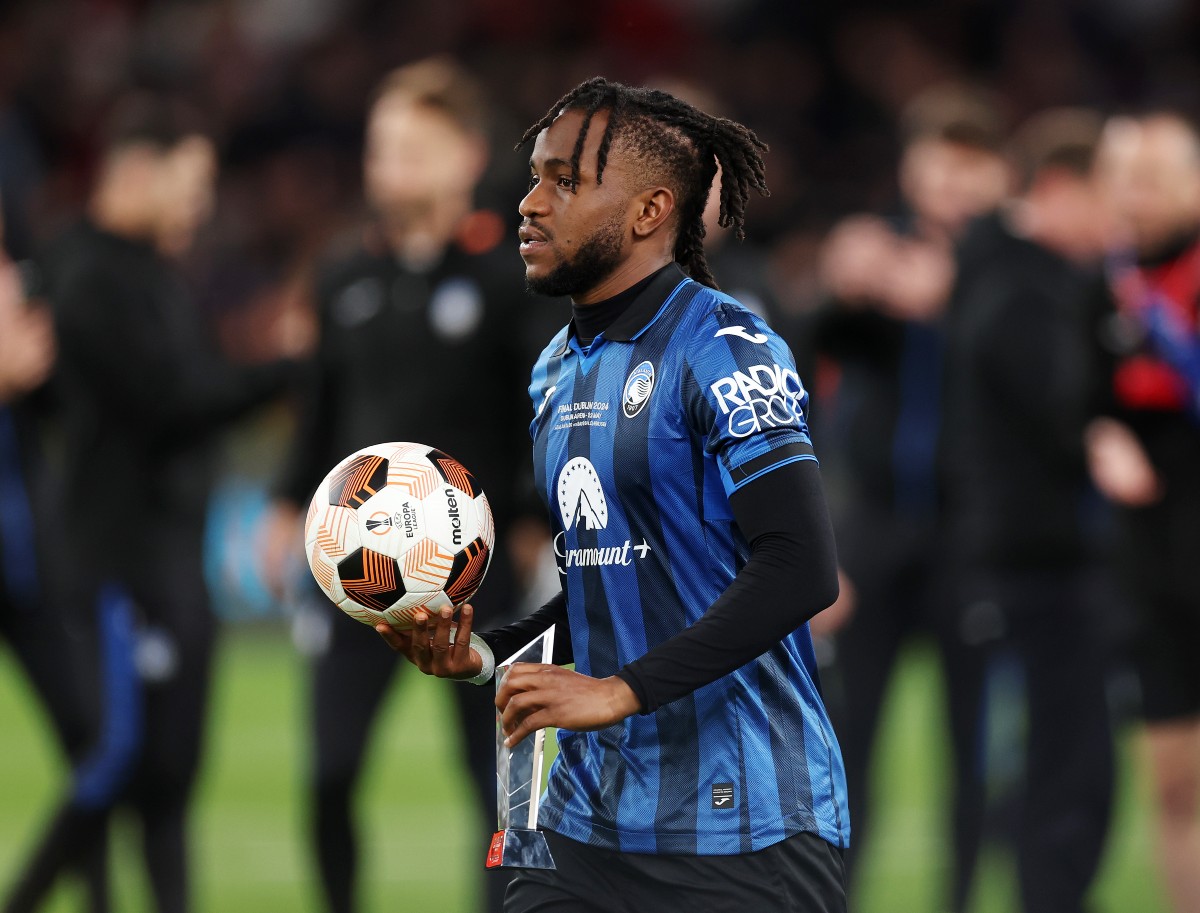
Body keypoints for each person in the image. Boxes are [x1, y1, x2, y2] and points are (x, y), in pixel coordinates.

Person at [376, 77, 849, 913]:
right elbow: (604, 583)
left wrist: (618, 690)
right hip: (588, 819)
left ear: (648, 211)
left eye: (565, 181)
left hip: (746, 830)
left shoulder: (727, 345)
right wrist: (483, 655)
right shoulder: (556, 368)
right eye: (534, 176)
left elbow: (801, 566)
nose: (529, 203)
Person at [258, 59, 558, 913]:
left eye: (415, 147)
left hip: (476, 576)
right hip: (355, 577)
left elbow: (537, 412)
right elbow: (318, 409)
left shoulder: (514, 276)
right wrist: (285, 503)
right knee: (329, 772)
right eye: (382, 146)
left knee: (496, 791)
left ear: (466, 154)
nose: (393, 165)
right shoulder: (342, 273)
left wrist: (535, 519)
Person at [22, 93, 302, 913]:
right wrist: (287, 366)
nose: (200, 203)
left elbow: (195, 390)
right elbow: (172, 403)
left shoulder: (151, 271)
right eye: (191, 181)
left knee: (170, 773)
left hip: (173, 552)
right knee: (118, 759)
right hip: (116, 560)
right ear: (138, 169)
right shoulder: (82, 275)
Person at [805, 82, 1010, 910]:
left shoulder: (1010, 266)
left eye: (970, 170)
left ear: (998, 176)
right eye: (939, 169)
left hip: (974, 535)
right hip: (872, 534)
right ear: (911, 171)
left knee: (973, 746)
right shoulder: (873, 248)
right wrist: (844, 287)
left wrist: (953, 298)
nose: (953, 188)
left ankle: (960, 898)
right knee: (848, 745)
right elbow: (812, 362)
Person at [942, 109, 1116, 913]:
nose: (1117, 220)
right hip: (1037, 567)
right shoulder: (1021, 289)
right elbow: (1066, 409)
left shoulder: (999, 275)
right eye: (1106, 196)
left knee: (1066, 767)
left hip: (1031, 562)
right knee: (1062, 772)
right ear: (1058, 188)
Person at [1087, 110, 1200, 913]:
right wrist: (1096, 431)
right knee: (1174, 787)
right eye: (1122, 176)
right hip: (1149, 566)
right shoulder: (1095, 282)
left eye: (1153, 178)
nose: (1135, 195)